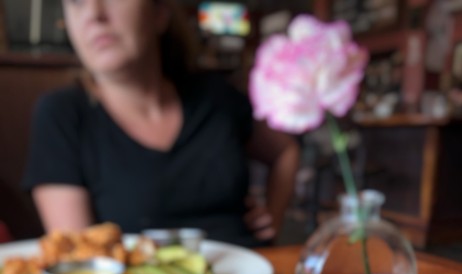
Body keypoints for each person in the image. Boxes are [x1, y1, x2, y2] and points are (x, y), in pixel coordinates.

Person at [23, 0, 300, 247]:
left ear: (159, 13)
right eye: (76, 2)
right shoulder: (62, 114)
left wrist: (273, 216)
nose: (94, 13)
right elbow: (79, 262)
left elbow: (286, 152)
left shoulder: (216, 96)